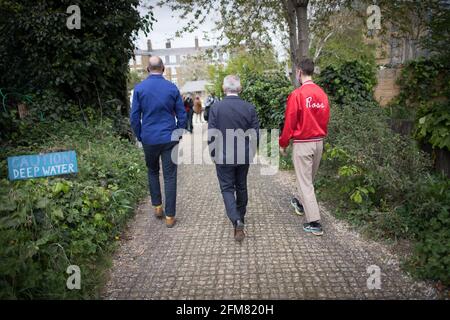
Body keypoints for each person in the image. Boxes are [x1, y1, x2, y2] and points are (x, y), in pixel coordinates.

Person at [130, 56, 187, 228]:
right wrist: (178, 133)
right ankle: (170, 216)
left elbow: (134, 117)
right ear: (163, 68)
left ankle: (157, 207)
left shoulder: (139, 89)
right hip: (169, 137)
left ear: (148, 69)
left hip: (149, 137)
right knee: (170, 177)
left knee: (152, 171)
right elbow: (182, 114)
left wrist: (140, 135)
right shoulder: (172, 88)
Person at [279, 58, 330, 236]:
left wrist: (283, 143)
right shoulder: (322, 94)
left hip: (303, 143)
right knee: (308, 180)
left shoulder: (298, 94)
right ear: (312, 71)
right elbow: (325, 119)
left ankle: (314, 222)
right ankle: (301, 204)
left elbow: (290, 122)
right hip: (318, 142)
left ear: (299, 72)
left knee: (305, 183)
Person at [208, 75, 259, 242]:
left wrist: (213, 153)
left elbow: (212, 134)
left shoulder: (216, 108)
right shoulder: (249, 108)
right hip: (243, 154)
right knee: (241, 185)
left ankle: (236, 220)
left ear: (224, 89)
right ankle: (240, 218)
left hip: (223, 155)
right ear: (240, 88)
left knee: (227, 188)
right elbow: (255, 134)